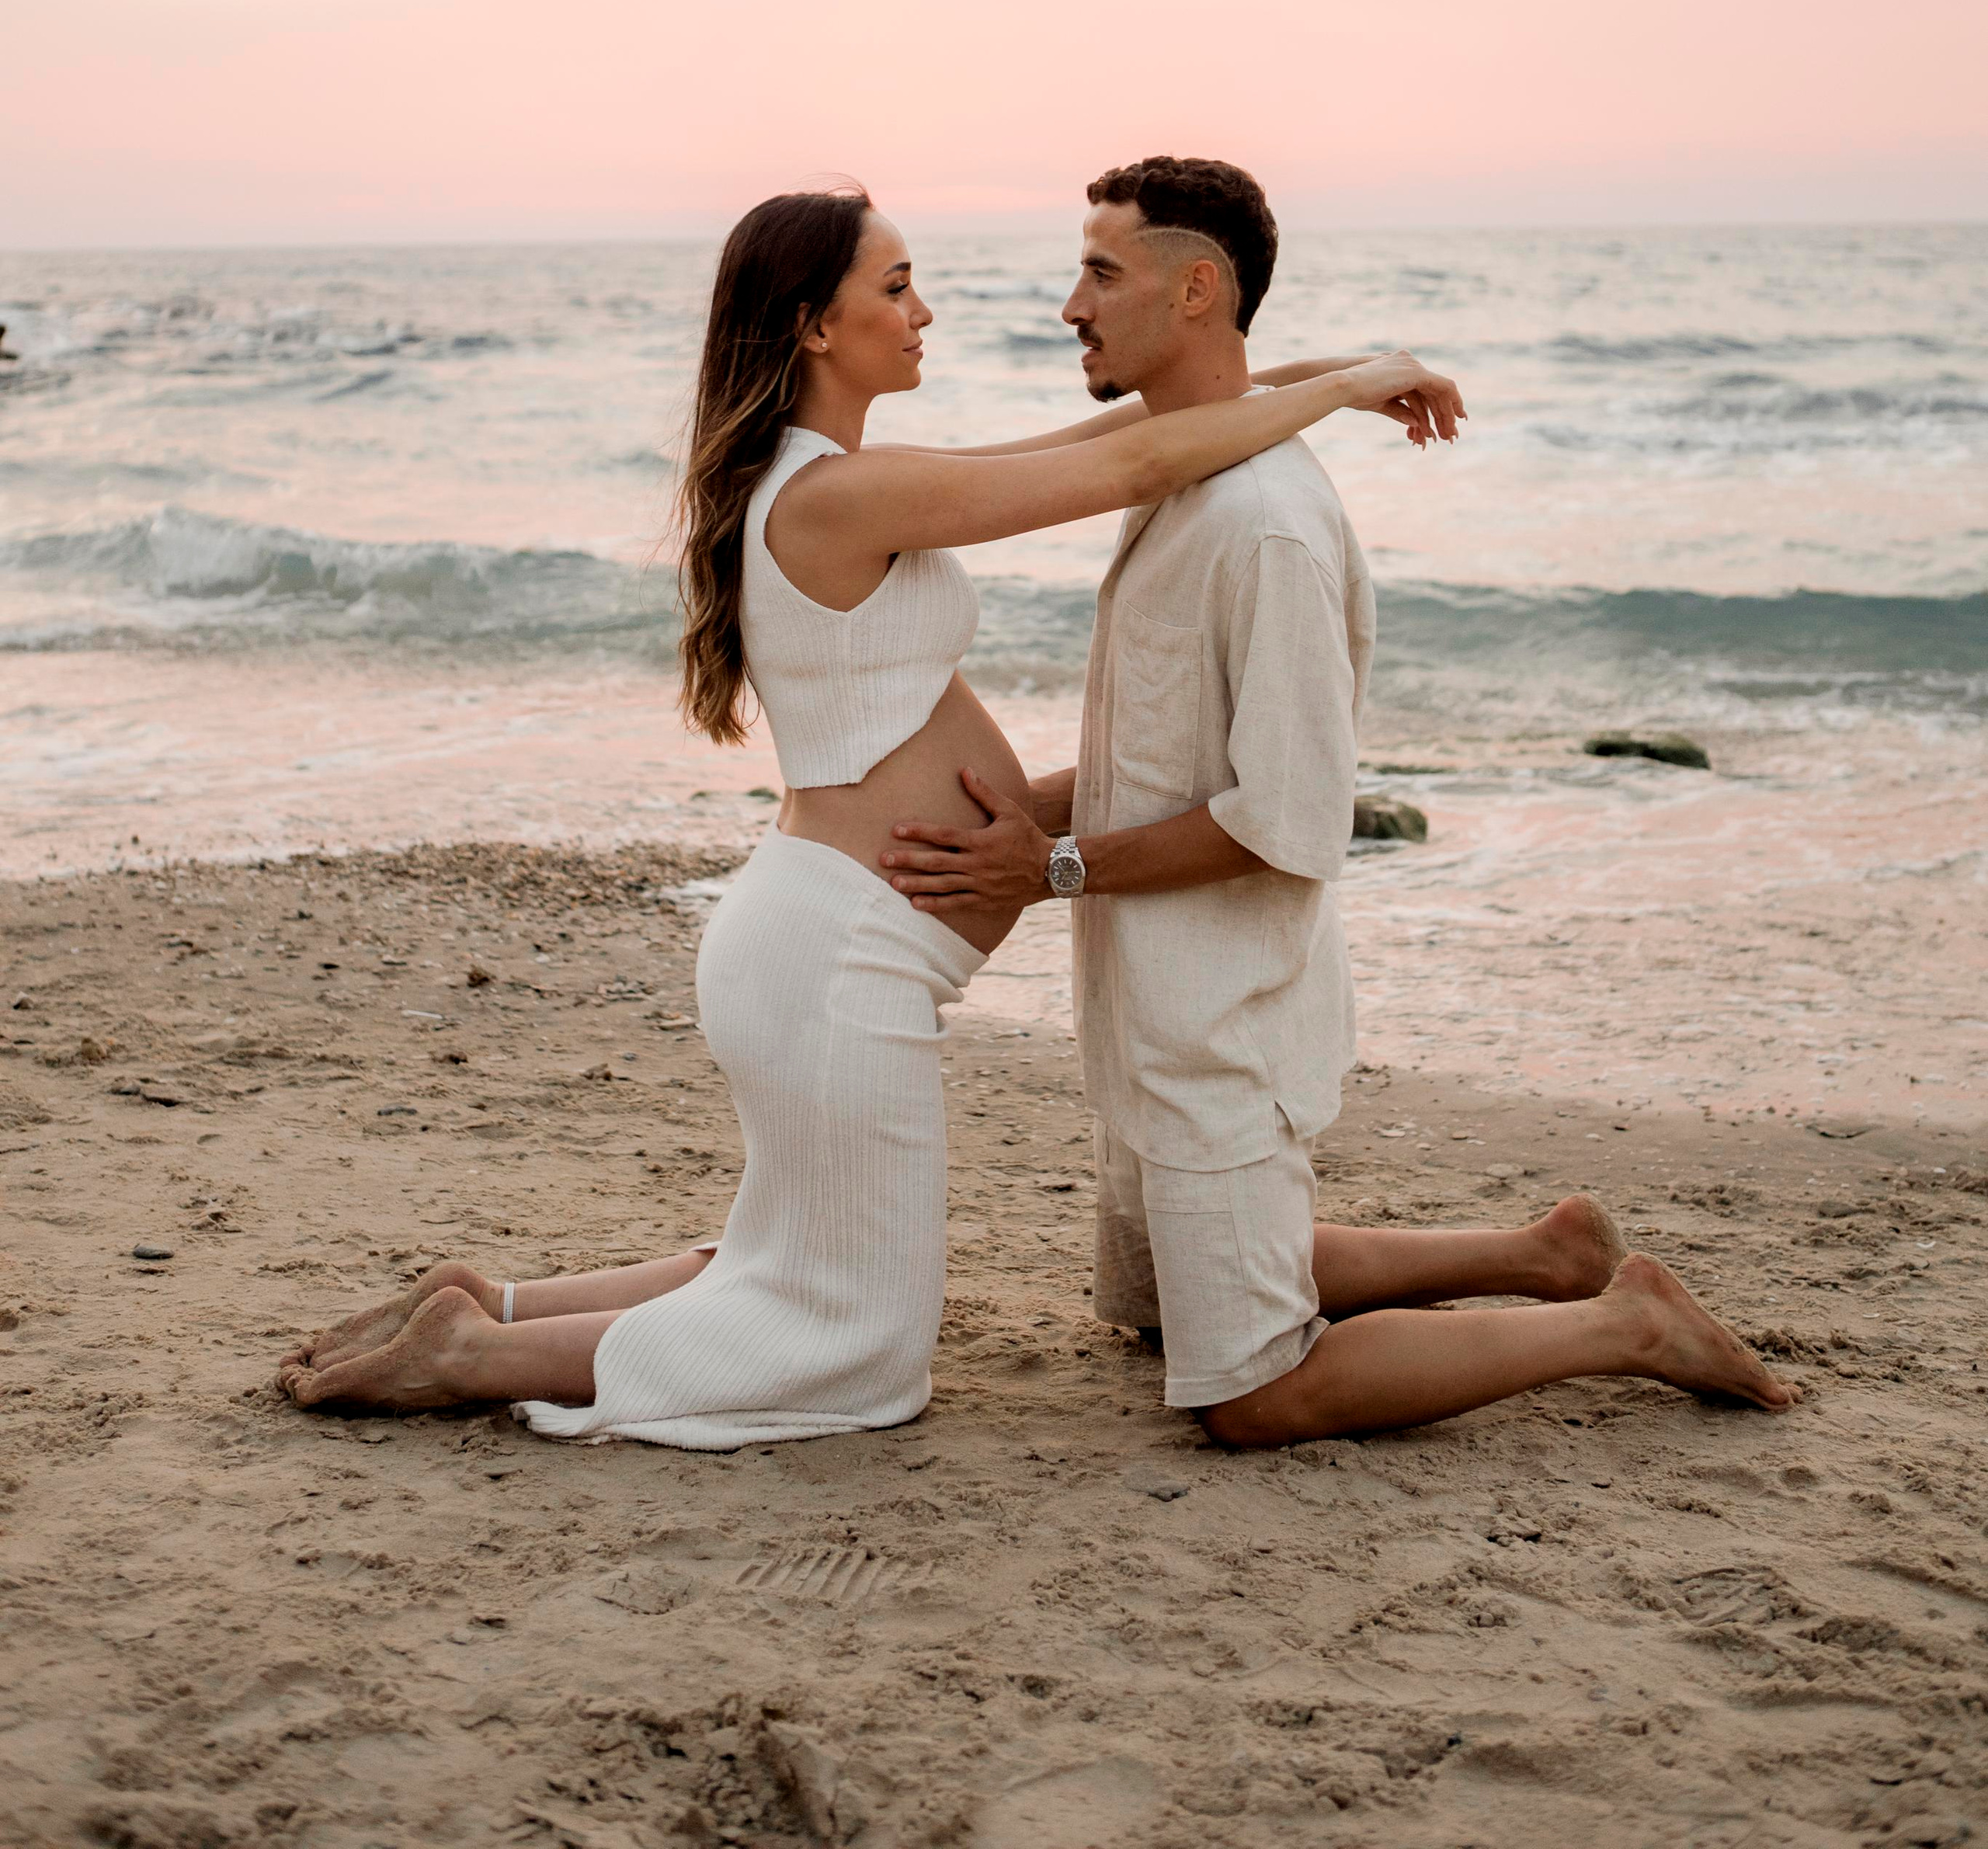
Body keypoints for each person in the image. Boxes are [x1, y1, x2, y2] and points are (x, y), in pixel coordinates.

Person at [281, 184, 1461, 1437]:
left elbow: (1120, 435)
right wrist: (1349, 385)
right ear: (813, 326)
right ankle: (474, 1353)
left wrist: (1335, 375)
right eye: (895, 288)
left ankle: (496, 1305)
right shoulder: (843, 498)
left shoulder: (839, 481)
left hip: (816, 948)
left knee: (783, 1260)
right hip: (838, 965)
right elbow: (1130, 461)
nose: (923, 311)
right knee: (860, 1347)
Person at [885, 155, 1795, 1442]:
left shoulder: (1263, 525)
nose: (1071, 307)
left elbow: (1288, 821)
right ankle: (1541, 1254)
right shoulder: (1183, 476)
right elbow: (1168, 754)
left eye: (1099, 272)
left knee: (1250, 1394)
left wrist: (1051, 871)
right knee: (1152, 1307)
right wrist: (1009, 818)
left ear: (1196, 290)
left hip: (1220, 1024)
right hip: (1144, 1011)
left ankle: (1624, 1324)